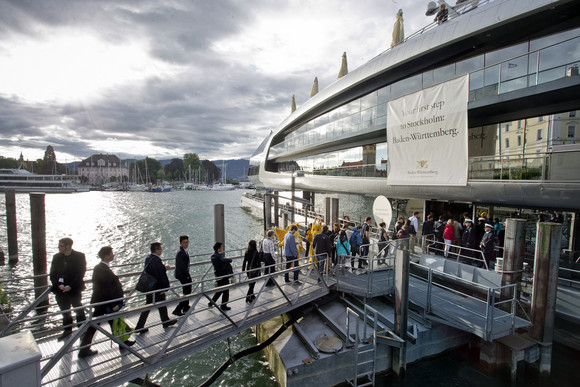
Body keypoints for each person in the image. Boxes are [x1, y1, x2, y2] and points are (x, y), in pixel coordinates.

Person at [79, 246, 135, 358]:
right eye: (111, 253)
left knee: (113, 322)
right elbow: (105, 288)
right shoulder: (101, 269)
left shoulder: (101, 268)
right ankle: (84, 350)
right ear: (106, 256)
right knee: (96, 325)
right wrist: (113, 303)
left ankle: (123, 343)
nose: (113, 255)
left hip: (104, 302)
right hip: (105, 303)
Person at [49, 237, 87, 341]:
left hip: (74, 289)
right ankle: (67, 330)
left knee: (78, 309)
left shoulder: (79, 256)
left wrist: (70, 286)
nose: (59, 247)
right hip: (60, 290)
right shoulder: (56, 257)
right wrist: (58, 285)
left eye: (61, 245)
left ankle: (82, 330)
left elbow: (81, 273)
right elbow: (52, 274)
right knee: (65, 311)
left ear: (68, 246)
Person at [135, 242, 177, 333]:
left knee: (149, 306)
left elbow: (154, 271)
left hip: (150, 287)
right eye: (160, 249)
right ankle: (165, 321)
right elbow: (160, 275)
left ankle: (140, 325)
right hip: (157, 288)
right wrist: (164, 288)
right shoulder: (156, 260)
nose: (161, 250)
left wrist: (163, 267)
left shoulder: (148, 258)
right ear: (157, 250)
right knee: (161, 304)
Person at [209, 242, 233, 311]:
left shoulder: (213, 256)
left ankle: (211, 302)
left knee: (220, 290)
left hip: (218, 276)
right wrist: (230, 260)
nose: (222, 248)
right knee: (226, 291)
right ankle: (223, 306)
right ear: (218, 248)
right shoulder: (219, 255)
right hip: (223, 276)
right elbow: (223, 260)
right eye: (221, 247)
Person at [172, 235, 192, 317]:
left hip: (183, 274)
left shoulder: (183, 250)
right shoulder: (180, 252)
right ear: (180, 243)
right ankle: (178, 309)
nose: (186, 244)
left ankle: (186, 306)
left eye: (187, 242)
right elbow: (182, 266)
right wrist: (187, 276)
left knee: (187, 290)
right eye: (184, 243)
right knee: (187, 291)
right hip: (182, 275)